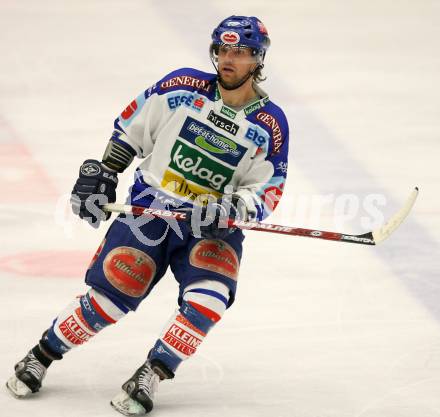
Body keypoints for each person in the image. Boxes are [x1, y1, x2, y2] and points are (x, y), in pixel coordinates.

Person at [6, 15, 289, 416]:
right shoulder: (182, 87)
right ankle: (41, 354)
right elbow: (131, 131)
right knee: (111, 297)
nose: (228, 59)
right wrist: (105, 172)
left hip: (210, 226)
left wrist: (231, 209)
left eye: (239, 52)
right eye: (223, 50)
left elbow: (267, 188)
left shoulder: (269, 124)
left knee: (209, 299)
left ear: (256, 59)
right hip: (151, 211)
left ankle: (152, 373)